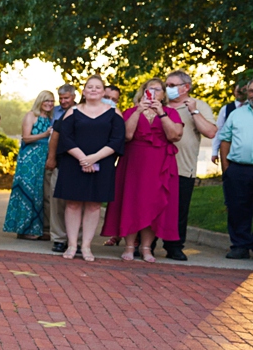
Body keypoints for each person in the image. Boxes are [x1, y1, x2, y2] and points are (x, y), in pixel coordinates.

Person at [104, 80, 183, 262]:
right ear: (142, 92)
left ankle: (147, 248)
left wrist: (161, 113)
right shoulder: (131, 112)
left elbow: (174, 136)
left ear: (163, 94)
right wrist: (139, 110)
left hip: (161, 163)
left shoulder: (171, 113)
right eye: (150, 89)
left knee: (154, 203)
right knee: (132, 202)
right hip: (134, 162)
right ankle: (130, 246)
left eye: (157, 89)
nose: (153, 92)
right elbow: (127, 136)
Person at [53, 76, 126, 261]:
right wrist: (83, 159)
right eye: (89, 87)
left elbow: (117, 139)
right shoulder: (72, 112)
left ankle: (86, 246)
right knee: (72, 203)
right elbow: (65, 138)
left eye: (98, 87)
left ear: (103, 92)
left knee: (94, 206)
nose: (93, 90)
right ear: (84, 92)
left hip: (103, 163)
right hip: (73, 163)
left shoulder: (114, 112)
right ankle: (71, 245)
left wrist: (94, 158)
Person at [159, 70, 217, 260]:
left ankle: (174, 246)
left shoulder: (199, 105)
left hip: (183, 168)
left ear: (186, 87)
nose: (168, 89)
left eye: (172, 85)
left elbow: (210, 132)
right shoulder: (159, 105)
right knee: (152, 205)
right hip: (156, 167)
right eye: (167, 85)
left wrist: (194, 111)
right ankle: (145, 244)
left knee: (179, 210)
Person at [4, 90, 55, 239]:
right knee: (26, 192)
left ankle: (34, 229)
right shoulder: (31, 115)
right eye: (46, 100)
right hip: (29, 159)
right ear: (40, 101)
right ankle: (22, 229)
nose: (49, 104)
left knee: (38, 194)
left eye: (52, 101)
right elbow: (26, 137)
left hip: (42, 158)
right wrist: (44, 135)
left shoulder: (50, 118)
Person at [217, 90, 253, 259]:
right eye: (251, 91)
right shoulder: (236, 114)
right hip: (239, 169)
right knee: (237, 208)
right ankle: (240, 246)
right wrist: (226, 168)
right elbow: (225, 139)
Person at [46, 84, 77, 251]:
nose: (64, 101)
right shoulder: (56, 112)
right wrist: (51, 158)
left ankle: (76, 241)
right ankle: (58, 238)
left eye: (67, 98)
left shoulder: (82, 110)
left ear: (74, 96)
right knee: (56, 201)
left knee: (76, 203)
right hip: (60, 160)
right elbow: (54, 137)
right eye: (62, 98)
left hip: (79, 163)